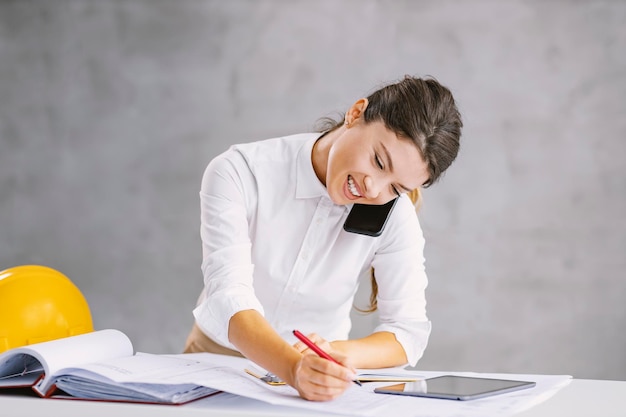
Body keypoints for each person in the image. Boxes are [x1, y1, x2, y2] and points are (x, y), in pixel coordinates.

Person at [184, 75, 463, 401]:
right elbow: (228, 298)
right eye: (377, 161)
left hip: (320, 378)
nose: (373, 189)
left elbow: (407, 333)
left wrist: (337, 356)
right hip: (218, 359)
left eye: (396, 188)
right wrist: (292, 368)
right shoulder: (240, 172)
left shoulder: (394, 215)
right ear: (356, 113)